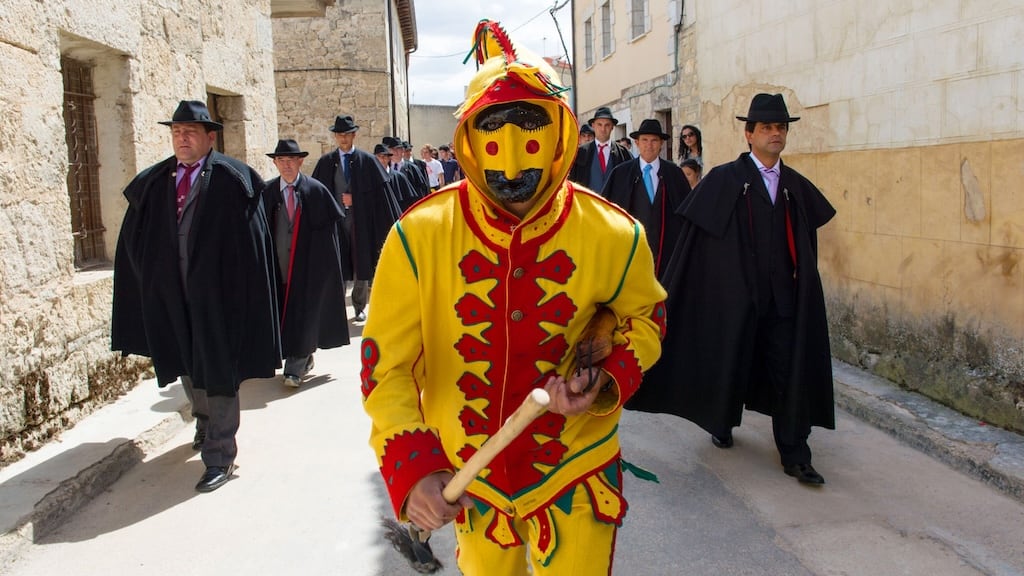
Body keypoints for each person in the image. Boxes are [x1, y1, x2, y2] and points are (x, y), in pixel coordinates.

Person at [361, 19, 666, 576]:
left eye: (528, 140)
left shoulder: (616, 235)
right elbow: (387, 371)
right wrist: (413, 469)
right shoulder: (416, 237)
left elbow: (645, 318)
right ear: (469, 143)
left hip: (577, 468)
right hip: (472, 482)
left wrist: (602, 374)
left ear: (559, 137)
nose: (510, 165)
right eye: (492, 141)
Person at [629, 93, 837, 485]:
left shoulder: (793, 186)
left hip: (783, 301)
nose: (775, 134)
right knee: (730, 359)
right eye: (767, 128)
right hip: (736, 299)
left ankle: (794, 452)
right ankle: (720, 421)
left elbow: (805, 245)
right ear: (749, 134)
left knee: (786, 367)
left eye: (781, 128)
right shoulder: (725, 180)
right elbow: (697, 245)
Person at [111, 100, 280, 493]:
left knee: (218, 369)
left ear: (209, 137)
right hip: (173, 294)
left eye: (190, 132)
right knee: (186, 361)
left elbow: (253, 245)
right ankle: (204, 422)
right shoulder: (155, 182)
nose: (181, 138)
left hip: (218, 300)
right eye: (176, 132)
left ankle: (221, 455)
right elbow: (134, 239)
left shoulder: (233, 180)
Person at [262, 139, 350, 388]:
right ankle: (303, 355)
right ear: (275, 163)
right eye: (281, 160)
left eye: (291, 160)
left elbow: (329, 238)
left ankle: (294, 368)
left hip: (307, 269)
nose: (286, 165)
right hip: (277, 266)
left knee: (304, 314)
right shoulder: (267, 193)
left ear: (300, 161)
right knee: (285, 315)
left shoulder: (316, 191)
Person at [311, 114, 393, 323]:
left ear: (354, 135)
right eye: (339, 135)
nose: (343, 139)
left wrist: (356, 199)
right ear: (335, 137)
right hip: (336, 224)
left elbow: (379, 195)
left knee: (361, 265)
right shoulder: (326, 162)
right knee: (336, 265)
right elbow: (317, 194)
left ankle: (359, 306)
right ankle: (336, 308)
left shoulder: (367, 161)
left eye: (347, 134)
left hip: (361, 223)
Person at [601, 119, 691, 282]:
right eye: (644, 140)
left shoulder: (674, 174)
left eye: (654, 140)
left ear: (661, 143)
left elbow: (687, 215)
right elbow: (605, 214)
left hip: (666, 258)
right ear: (637, 143)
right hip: (630, 257)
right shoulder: (620, 174)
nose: (649, 145)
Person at [568, 106, 631, 192]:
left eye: (607, 125)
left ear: (612, 127)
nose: (603, 129)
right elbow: (571, 182)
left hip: (614, 204)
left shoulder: (623, 153)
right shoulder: (580, 152)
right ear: (593, 126)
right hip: (588, 203)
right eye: (599, 124)